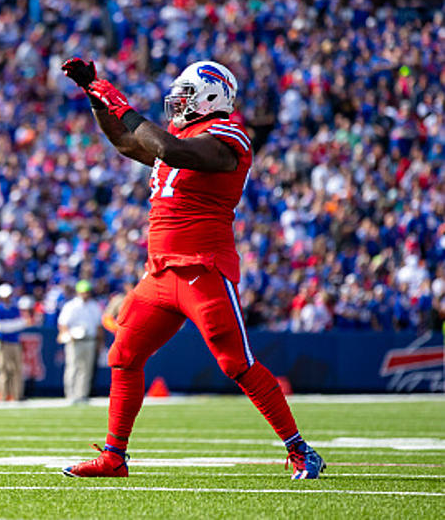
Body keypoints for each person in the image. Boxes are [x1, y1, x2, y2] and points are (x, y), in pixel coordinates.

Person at [59, 58, 324, 479]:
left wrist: (121, 103)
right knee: (123, 355)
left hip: (202, 269)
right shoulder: (181, 134)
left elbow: (169, 150)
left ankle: (299, 450)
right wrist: (95, 96)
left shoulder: (226, 135)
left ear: (212, 96)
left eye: (187, 93)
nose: (178, 102)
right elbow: (128, 145)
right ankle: (114, 457)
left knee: (235, 362)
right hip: (160, 272)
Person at [57, 280, 102, 403]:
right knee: (73, 367)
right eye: (83, 292)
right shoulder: (71, 306)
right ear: (78, 292)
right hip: (75, 341)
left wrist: (100, 343)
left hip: (89, 340)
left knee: (86, 369)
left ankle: (82, 395)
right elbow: (63, 324)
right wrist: (68, 334)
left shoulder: (94, 306)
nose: (85, 295)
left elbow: (98, 326)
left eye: (87, 292)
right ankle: (70, 395)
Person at [0, 283, 28, 402]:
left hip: (15, 342)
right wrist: (13, 325)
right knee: (2, 369)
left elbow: (22, 323)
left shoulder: (15, 308)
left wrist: (7, 325)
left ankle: (17, 395)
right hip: (2, 342)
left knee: (17, 369)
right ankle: (2, 395)